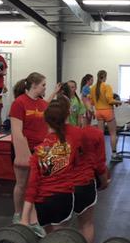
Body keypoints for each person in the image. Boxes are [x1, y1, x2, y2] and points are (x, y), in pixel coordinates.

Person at [22, 97, 84, 233]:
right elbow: (78, 163)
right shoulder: (73, 139)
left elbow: (32, 185)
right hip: (63, 198)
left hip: (43, 203)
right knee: (59, 237)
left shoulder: (39, 151)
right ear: (65, 118)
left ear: (45, 121)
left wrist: (24, 218)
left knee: (49, 238)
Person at [9, 73, 50, 233]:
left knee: (35, 186)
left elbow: (47, 130)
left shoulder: (44, 104)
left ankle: (32, 220)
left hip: (40, 151)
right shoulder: (19, 103)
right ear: (33, 85)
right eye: (43, 85)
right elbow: (17, 132)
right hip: (23, 149)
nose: (45, 88)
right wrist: (24, 155)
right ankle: (18, 215)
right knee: (22, 184)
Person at [68, 103, 109, 243]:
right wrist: (104, 182)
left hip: (63, 185)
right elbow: (100, 163)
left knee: (59, 227)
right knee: (86, 224)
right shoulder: (96, 134)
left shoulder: (60, 135)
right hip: (84, 183)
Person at [91, 70, 120, 157]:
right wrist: (119, 102)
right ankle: (114, 154)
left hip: (98, 112)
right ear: (105, 77)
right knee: (113, 134)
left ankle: (99, 154)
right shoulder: (107, 86)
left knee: (100, 134)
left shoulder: (93, 88)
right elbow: (110, 100)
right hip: (108, 112)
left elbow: (92, 102)